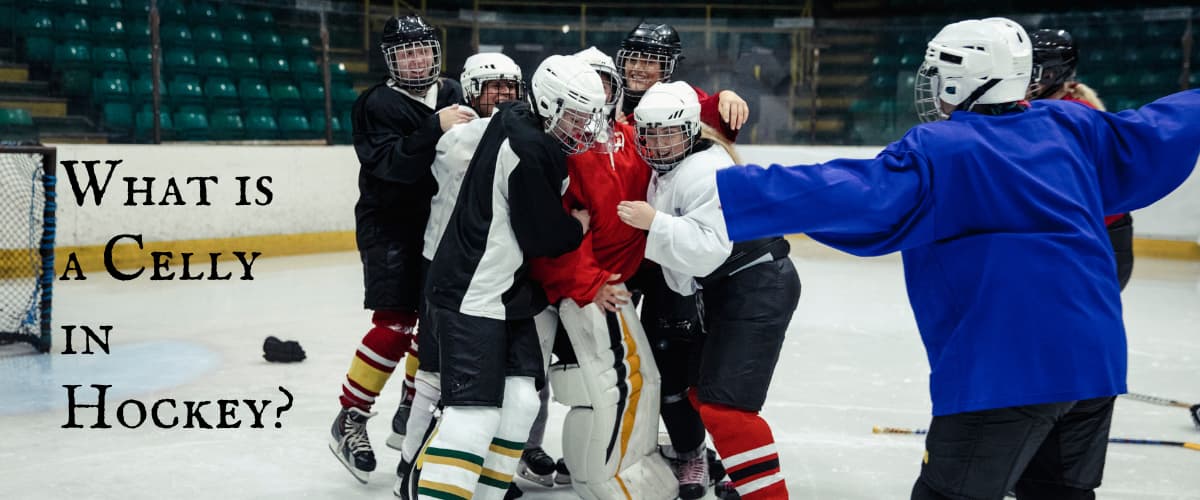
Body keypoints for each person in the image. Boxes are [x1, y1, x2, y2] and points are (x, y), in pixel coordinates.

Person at [715, 17, 1200, 500]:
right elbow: (1159, 128)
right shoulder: (1071, 124)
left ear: (959, 78)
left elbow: (849, 193)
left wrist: (727, 190)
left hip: (1008, 367)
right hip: (1096, 360)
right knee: (1058, 495)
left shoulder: (942, 150)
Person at [401, 54, 606, 500]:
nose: (584, 128)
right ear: (549, 106)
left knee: (520, 403)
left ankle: (485, 492)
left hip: (505, 291)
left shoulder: (518, 115)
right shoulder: (532, 150)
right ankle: (426, 487)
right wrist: (578, 226)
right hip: (473, 292)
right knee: (474, 413)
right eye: (575, 116)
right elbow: (544, 236)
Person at [617, 81, 800, 500]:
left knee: (727, 408)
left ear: (691, 130)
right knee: (704, 394)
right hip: (735, 287)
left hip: (757, 285)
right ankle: (746, 474)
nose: (659, 144)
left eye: (670, 133)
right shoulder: (676, 166)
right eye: (652, 133)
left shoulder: (705, 170)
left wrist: (654, 224)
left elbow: (706, 253)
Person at [523, 46, 678, 500]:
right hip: (571, 289)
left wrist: (721, 103)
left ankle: (610, 463)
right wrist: (589, 282)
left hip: (609, 287)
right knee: (548, 383)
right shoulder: (562, 151)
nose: (598, 95)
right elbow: (557, 239)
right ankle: (563, 465)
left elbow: (676, 115)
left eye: (606, 84)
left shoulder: (630, 137)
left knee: (632, 380)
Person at [330, 13, 473, 483]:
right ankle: (349, 416)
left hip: (441, 226)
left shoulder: (453, 91)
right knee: (394, 322)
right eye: (406, 52)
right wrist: (435, 127)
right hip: (390, 226)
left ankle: (411, 406)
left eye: (423, 50)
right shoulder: (374, 105)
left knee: (433, 321)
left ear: (436, 52)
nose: (416, 59)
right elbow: (392, 166)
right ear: (391, 59)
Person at [386, 51, 524, 497]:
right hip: (445, 266)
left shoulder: (481, 128)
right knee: (432, 375)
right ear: (470, 90)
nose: (502, 96)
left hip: (486, 269)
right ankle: (409, 465)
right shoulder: (459, 133)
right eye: (492, 87)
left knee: (481, 383)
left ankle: (445, 465)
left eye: (509, 87)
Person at [1027, 28, 1134, 290]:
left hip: (1097, 240)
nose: (1026, 79)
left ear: (1054, 74)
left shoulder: (1070, 116)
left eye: (1035, 72)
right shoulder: (1061, 107)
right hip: (1093, 235)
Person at [616, 22, 750, 141]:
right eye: (632, 60)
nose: (637, 68)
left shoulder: (680, 99)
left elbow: (707, 108)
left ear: (667, 67)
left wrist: (725, 97)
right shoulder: (610, 97)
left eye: (649, 61)